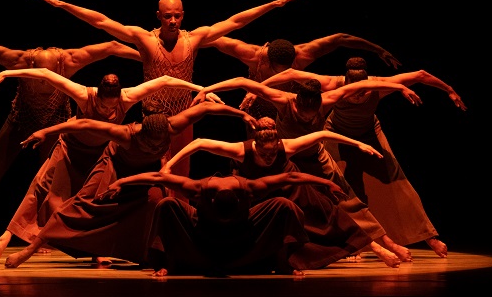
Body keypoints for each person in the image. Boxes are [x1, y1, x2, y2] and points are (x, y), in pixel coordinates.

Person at [31, 0, 304, 192]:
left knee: (181, 171)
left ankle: (177, 222)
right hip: (153, 119)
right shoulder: (145, 39)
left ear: (183, 15)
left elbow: (235, 22)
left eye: (177, 15)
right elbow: (102, 22)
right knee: (154, 171)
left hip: (184, 114)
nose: (173, 20)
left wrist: (273, 4)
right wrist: (63, 5)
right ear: (158, 16)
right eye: (167, 16)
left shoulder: (194, 38)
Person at [0, 69, 222, 263]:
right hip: (72, 148)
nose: (107, 111)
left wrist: (204, 89)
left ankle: (100, 250)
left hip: (102, 152)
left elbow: (166, 80)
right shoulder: (85, 95)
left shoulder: (128, 98)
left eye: (112, 108)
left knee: (102, 201)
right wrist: (8, 73)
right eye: (103, 106)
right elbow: (45, 74)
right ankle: (7, 237)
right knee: (42, 187)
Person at [0, 39, 141, 252]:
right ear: (31, 66)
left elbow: (112, 46)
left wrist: (149, 58)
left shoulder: (71, 60)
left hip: (55, 121)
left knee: (49, 181)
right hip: (21, 118)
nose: (45, 79)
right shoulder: (19, 60)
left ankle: (41, 235)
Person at [190, 73, 424, 263]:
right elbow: (242, 81)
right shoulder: (283, 101)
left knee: (346, 198)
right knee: (307, 207)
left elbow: (363, 85)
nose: (306, 119)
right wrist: (205, 89)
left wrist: (399, 87)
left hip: (315, 155)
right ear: (297, 103)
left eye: (311, 116)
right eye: (302, 114)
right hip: (285, 159)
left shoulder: (328, 99)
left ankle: (385, 243)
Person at [2, 101, 258, 269]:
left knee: (158, 203)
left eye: (160, 144)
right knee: (83, 204)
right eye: (150, 144)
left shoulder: (173, 126)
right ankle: (30, 249)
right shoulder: (126, 134)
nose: (155, 147)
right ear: (142, 134)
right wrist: (45, 132)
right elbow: (83, 124)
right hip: (115, 165)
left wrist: (242, 114)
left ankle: (153, 255)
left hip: (147, 172)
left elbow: (206, 108)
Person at [161, 124, 404, 268]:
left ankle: (376, 248)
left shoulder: (286, 147)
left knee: (327, 212)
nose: (269, 158)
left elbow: (322, 135)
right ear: (255, 146)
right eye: (264, 155)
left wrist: (358, 144)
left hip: (290, 186)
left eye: (272, 154)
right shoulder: (240, 150)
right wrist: (169, 165)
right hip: (259, 193)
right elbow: (200, 142)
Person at [308, 57, 466, 257]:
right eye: (354, 92)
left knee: (398, 183)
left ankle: (429, 236)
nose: (358, 96)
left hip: (370, 133)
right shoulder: (331, 84)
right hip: (337, 134)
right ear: (346, 83)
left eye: (363, 92)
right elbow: (292, 75)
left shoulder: (380, 85)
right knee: (342, 188)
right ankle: (355, 243)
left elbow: (420, 75)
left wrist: (449, 89)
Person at [95, 170, 347, 277]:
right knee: (167, 204)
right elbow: (158, 176)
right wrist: (120, 182)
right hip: (202, 235)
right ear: (210, 199)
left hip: (244, 234)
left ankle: (283, 262)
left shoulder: (250, 188)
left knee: (283, 204)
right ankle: (165, 264)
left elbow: (290, 176)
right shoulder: (197, 188)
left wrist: (327, 183)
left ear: (240, 199)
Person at [202, 34, 402, 137]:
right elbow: (215, 40)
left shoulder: (303, 54)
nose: (285, 74)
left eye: (289, 68)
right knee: (262, 148)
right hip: (260, 109)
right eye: (279, 70)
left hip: (294, 108)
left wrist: (378, 49)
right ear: (269, 61)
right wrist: (189, 43)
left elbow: (341, 39)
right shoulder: (254, 56)